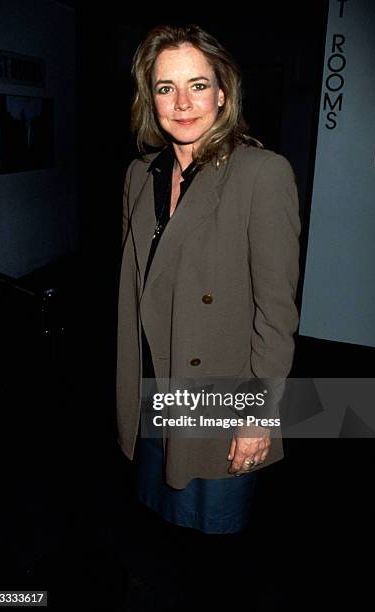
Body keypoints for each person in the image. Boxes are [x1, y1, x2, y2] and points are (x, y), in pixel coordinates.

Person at [116, 22, 300, 569]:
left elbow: (276, 312)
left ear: (224, 92)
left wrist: (257, 414)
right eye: (166, 87)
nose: (183, 102)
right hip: (154, 390)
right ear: (150, 98)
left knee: (216, 548)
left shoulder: (261, 174)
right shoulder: (138, 175)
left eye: (198, 85)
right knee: (159, 533)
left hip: (218, 398)